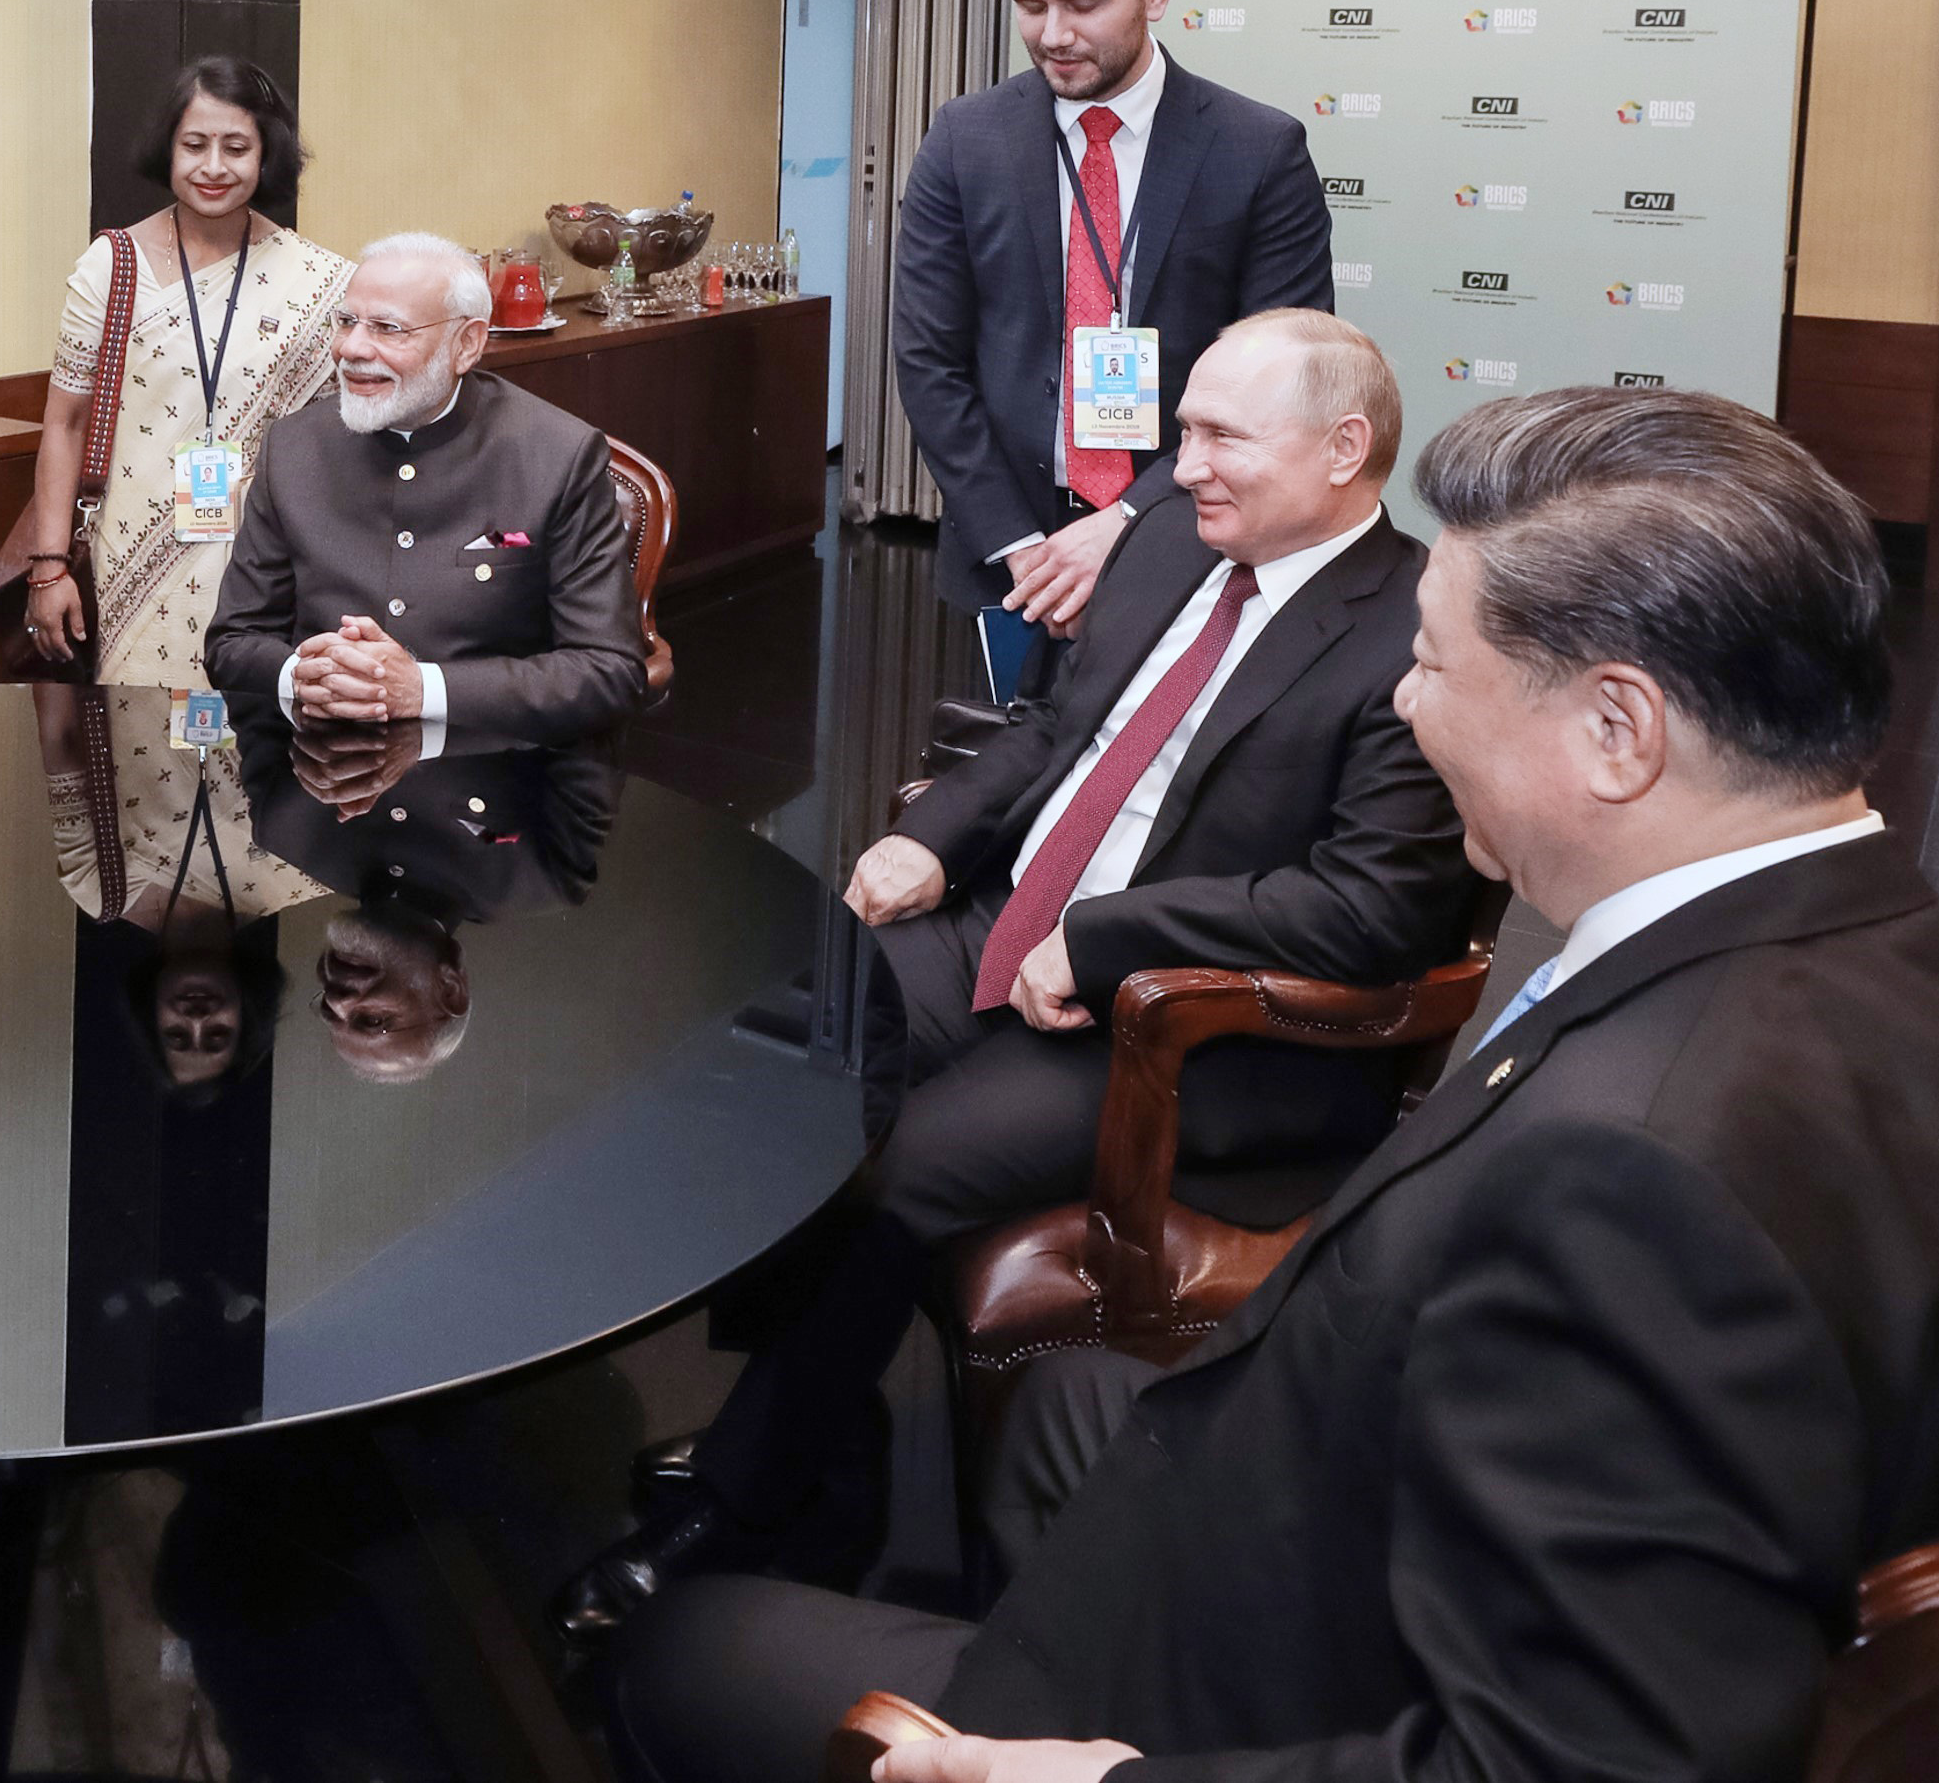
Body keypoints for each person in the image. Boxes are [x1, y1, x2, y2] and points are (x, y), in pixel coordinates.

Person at [607, 385, 1939, 1783]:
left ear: (1619, 730)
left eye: (1433, 666)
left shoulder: (1639, 1177)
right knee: (1069, 1402)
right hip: (1346, 1477)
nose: (1408, 701)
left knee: (678, 1656)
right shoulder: (1867, 940)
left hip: (1291, 1686)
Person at [560, 310, 1478, 1637]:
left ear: (1344, 450)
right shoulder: (1173, 541)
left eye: (1221, 437)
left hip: (1188, 1028)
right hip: (1004, 922)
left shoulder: (1413, 626)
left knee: (892, 1167)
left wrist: (1107, 941)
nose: (1183, 465)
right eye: (1183, 431)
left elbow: (1373, 909)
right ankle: (818, 1424)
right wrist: (932, 838)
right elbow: (1055, 725)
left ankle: (747, 1501)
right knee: (766, 1048)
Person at [892, 0, 1332, 635]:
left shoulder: (1257, 151)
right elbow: (929, 361)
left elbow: (1283, 377)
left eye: (1083, 4)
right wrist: (1024, 550)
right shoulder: (964, 140)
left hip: (1193, 542)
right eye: (1030, 6)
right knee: (1013, 721)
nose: (1052, 35)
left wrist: (1130, 519)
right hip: (1008, 557)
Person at [203, 233, 646, 740]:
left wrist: (422, 689)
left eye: (388, 329)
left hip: (491, 765)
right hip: (319, 763)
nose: (351, 349)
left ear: (466, 344)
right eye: (346, 321)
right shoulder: (293, 448)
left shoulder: (557, 455)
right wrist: (306, 677)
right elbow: (233, 642)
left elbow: (610, 671)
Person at [17, 58, 355, 685]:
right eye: (194, 145)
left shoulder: (320, 281)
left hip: (271, 566)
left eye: (237, 147)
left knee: (256, 727)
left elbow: (339, 444)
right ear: (167, 148)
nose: (214, 167)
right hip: (131, 563)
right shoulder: (112, 267)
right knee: (140, 736)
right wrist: (48, 568)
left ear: (266, 154)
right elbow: (64, 425)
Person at [234, 698, 622, 1083]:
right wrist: (427, 733)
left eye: (328, 1012)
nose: (337, 1000)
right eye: (373, 1020)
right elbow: (593, 709)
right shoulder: (544, 876)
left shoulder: (288, 831)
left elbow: (245, 675)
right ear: (450, 990)